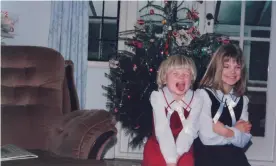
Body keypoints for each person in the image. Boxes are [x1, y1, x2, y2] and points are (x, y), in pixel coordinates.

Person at [194, 44, 252, 166]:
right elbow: (207, 137)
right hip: (208, 159)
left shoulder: (242, 100)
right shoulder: (203, 95)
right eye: (226, 66)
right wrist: (235, 132)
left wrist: (225, 131)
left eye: (237, 67)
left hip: (235, 159)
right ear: (216, 68)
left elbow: (244, 140)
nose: (232, 71)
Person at [142, 55, 203, 166]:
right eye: (175, 74)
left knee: (186, 162)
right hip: (158, 144)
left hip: (184, 147)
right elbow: (162, 129)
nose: (181, 78)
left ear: (192, 78)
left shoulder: (196, 100)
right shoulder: (158, 97)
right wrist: (170, 160)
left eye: (186, 74)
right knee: (156, 162)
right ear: (165, 78)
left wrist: (177, 155)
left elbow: (190, 131)